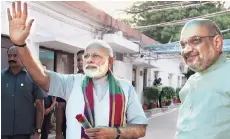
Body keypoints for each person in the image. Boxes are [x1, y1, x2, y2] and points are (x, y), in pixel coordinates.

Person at [7, 2, 148, 139]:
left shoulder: (125, 88)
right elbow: (41, 76)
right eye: (86, 56)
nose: (89, 60)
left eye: (96, 56)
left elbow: (140, 128)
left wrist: (116, 133)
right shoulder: (72, 82)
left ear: (111, 61)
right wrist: (20, 44)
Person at [176, 19, 230, 139]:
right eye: (183, 45)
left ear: (217, 42)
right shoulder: (190, 83)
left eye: (195, 40)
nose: (186, 50)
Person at [1, 46, 45, 139]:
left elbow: (40, 106)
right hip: (3, 131)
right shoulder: (1, 77)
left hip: (24, 132)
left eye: (15, 55)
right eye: (9, 56)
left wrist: (38, 131)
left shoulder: (33, 77)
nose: (11, 58)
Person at [56, 50, 84, 139]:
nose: (80, 62)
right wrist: (58, 133)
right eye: (78, 60)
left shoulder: (97, 82)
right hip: (70, 128)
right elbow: (60, 107)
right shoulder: (69, 81)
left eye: (83, 59)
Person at [41, 64, 57, 139]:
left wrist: (50, 109)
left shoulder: (51, 84)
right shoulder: (36, 82)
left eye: (45, 70)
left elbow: (55, 99)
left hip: (47, 112)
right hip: (38, 111)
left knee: (45, 132)